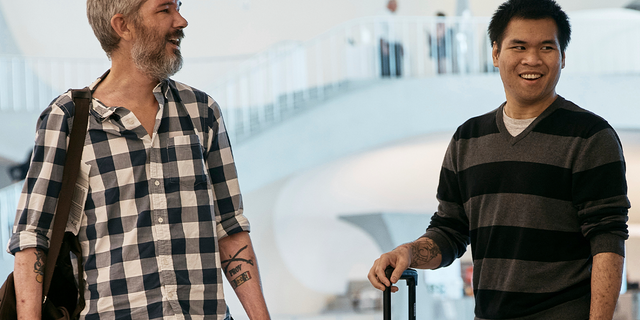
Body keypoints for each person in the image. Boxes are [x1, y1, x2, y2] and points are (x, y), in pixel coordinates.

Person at [368, 0, 630, 319]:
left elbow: (608, 240)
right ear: (495, 54)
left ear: (563, 57)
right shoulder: (467, 138)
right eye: (518, 46)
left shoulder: (591, 136)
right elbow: (449, 232)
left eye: (546, 47)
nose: (532, 59)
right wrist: (407, 252)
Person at [9, 0, 270, 319]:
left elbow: (230, 228)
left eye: (179, 7)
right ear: (123, 26)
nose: (182, 21)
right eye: (165, 10)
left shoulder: (202, 112)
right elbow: (32, 238)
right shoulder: (67, 119)